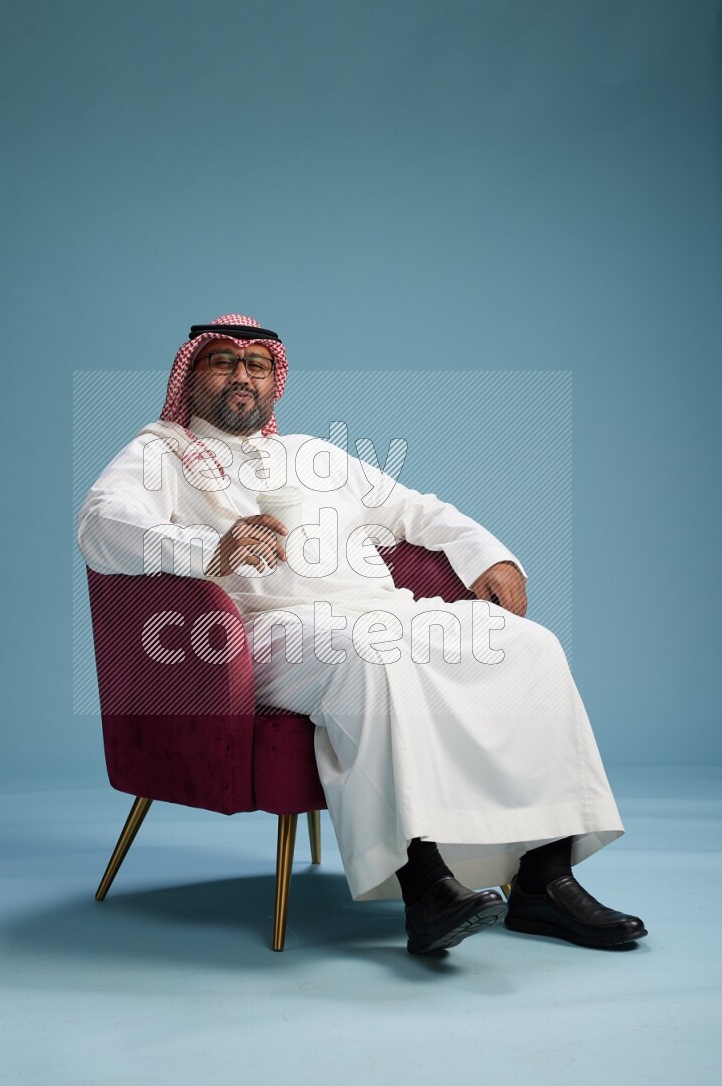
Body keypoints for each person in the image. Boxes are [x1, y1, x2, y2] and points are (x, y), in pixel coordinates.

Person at [78, 313, 647, 955]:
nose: (242, 376)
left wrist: (491, 555)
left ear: (275, 382)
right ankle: (426, 887)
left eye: (257, 365)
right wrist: (211, 547)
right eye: (222, 362)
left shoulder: (313, 455)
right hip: (260, 630)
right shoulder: (161, 451)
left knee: (529, 647)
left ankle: (545, 880)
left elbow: (415, 509)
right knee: (364, 657)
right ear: (190, 375)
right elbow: (102, 524)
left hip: (382, 608)